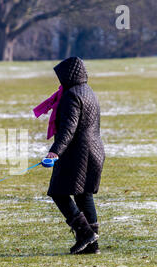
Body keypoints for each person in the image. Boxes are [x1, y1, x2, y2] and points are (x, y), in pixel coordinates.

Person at [44, 57, 105, 254]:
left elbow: (68, 129)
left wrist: (55, 151)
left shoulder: (71, 95)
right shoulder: (88, 91)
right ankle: (92, 244)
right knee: (84, 195)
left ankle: (85, 234)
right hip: (93, 150)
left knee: (58, 192)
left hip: (77, 153)